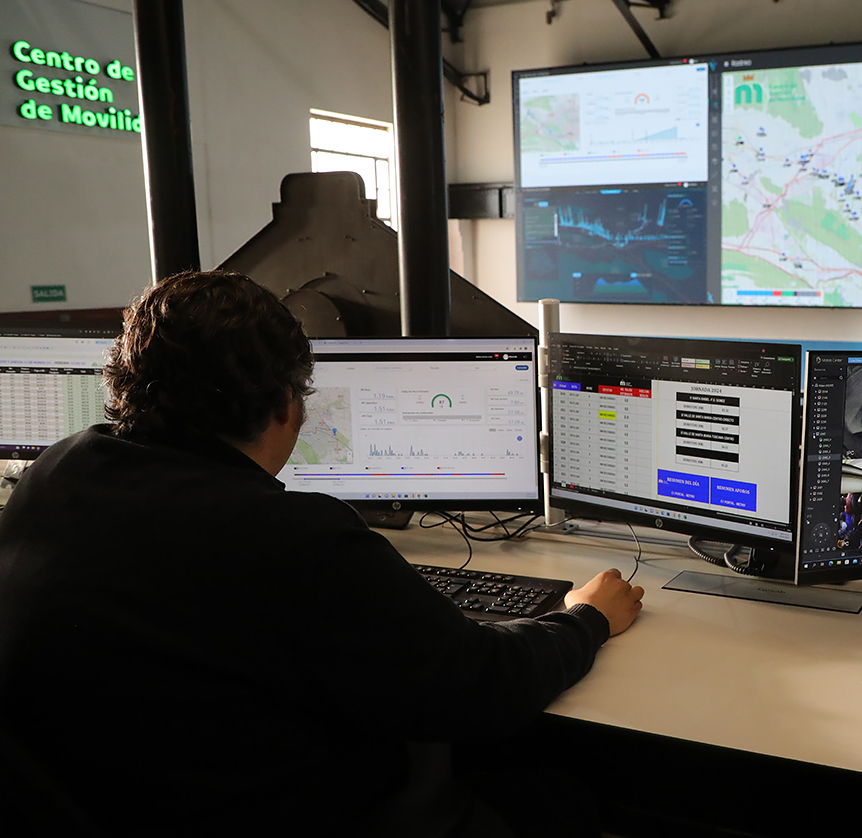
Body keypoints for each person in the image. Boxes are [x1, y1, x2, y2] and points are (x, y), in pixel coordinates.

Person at [0, 271, 644, 836]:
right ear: (286, 404)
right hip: (277, 816)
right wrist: (584, 619)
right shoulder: (290, 536)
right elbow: (482, 686)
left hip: (108, 804)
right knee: (557, 797)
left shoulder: (55, 474)